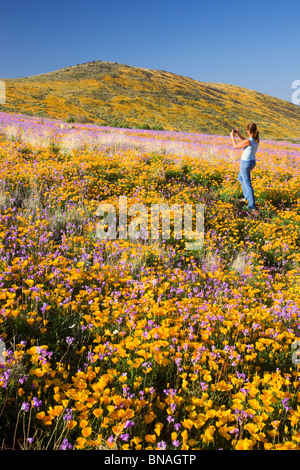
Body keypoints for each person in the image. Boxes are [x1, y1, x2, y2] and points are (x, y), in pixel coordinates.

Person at [230, 122, 259, 212]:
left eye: (246, 130)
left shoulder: (248, 141)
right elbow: (246, 141)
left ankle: (252, 206)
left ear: (248, 130)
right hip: (252, 162)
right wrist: (238, 134)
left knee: (247, 183)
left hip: (245, 163)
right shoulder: (256, 138)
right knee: (240, 177)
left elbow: (235, 146)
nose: (246, 132)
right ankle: (247, 197)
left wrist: (232, 136)